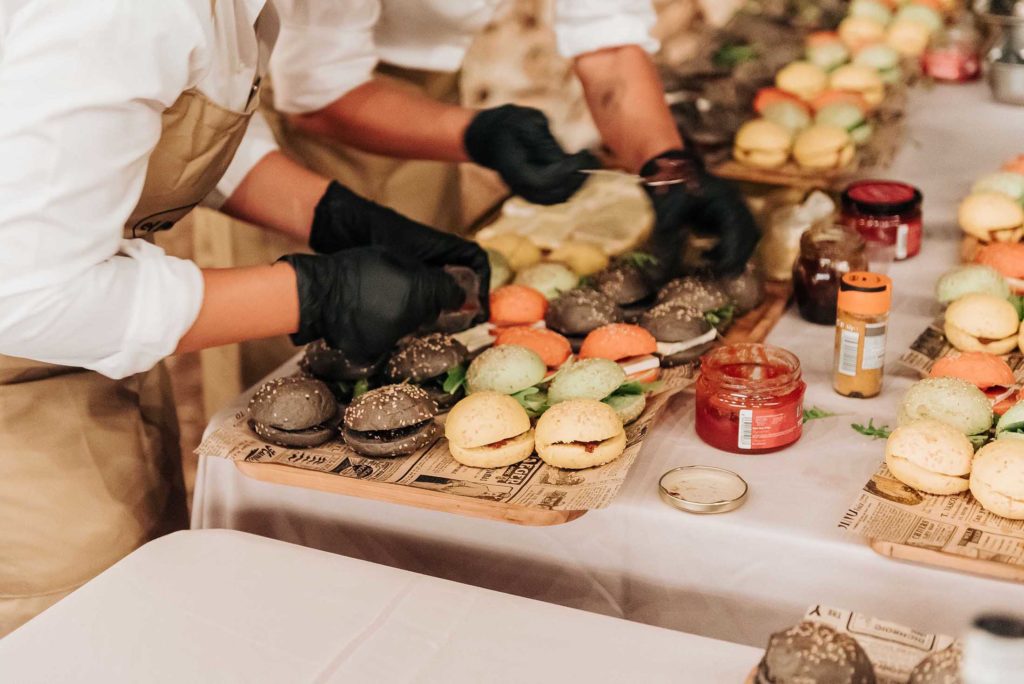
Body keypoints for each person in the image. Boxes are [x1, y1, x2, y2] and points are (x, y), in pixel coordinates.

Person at [0, 0, 487, 634]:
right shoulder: (125, 12)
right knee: (90, 627)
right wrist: (313, 295)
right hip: (23, 380)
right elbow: (28, 294)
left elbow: (173, 127)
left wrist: (338, 217)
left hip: (83, 350)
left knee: (155, 593)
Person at [251, 0, 760, 275]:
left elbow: (607, 44)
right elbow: (318, 92)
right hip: (310, 102)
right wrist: (477, 134)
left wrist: (669, 166)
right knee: (315, 320)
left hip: (428, 78)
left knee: (429, 279)